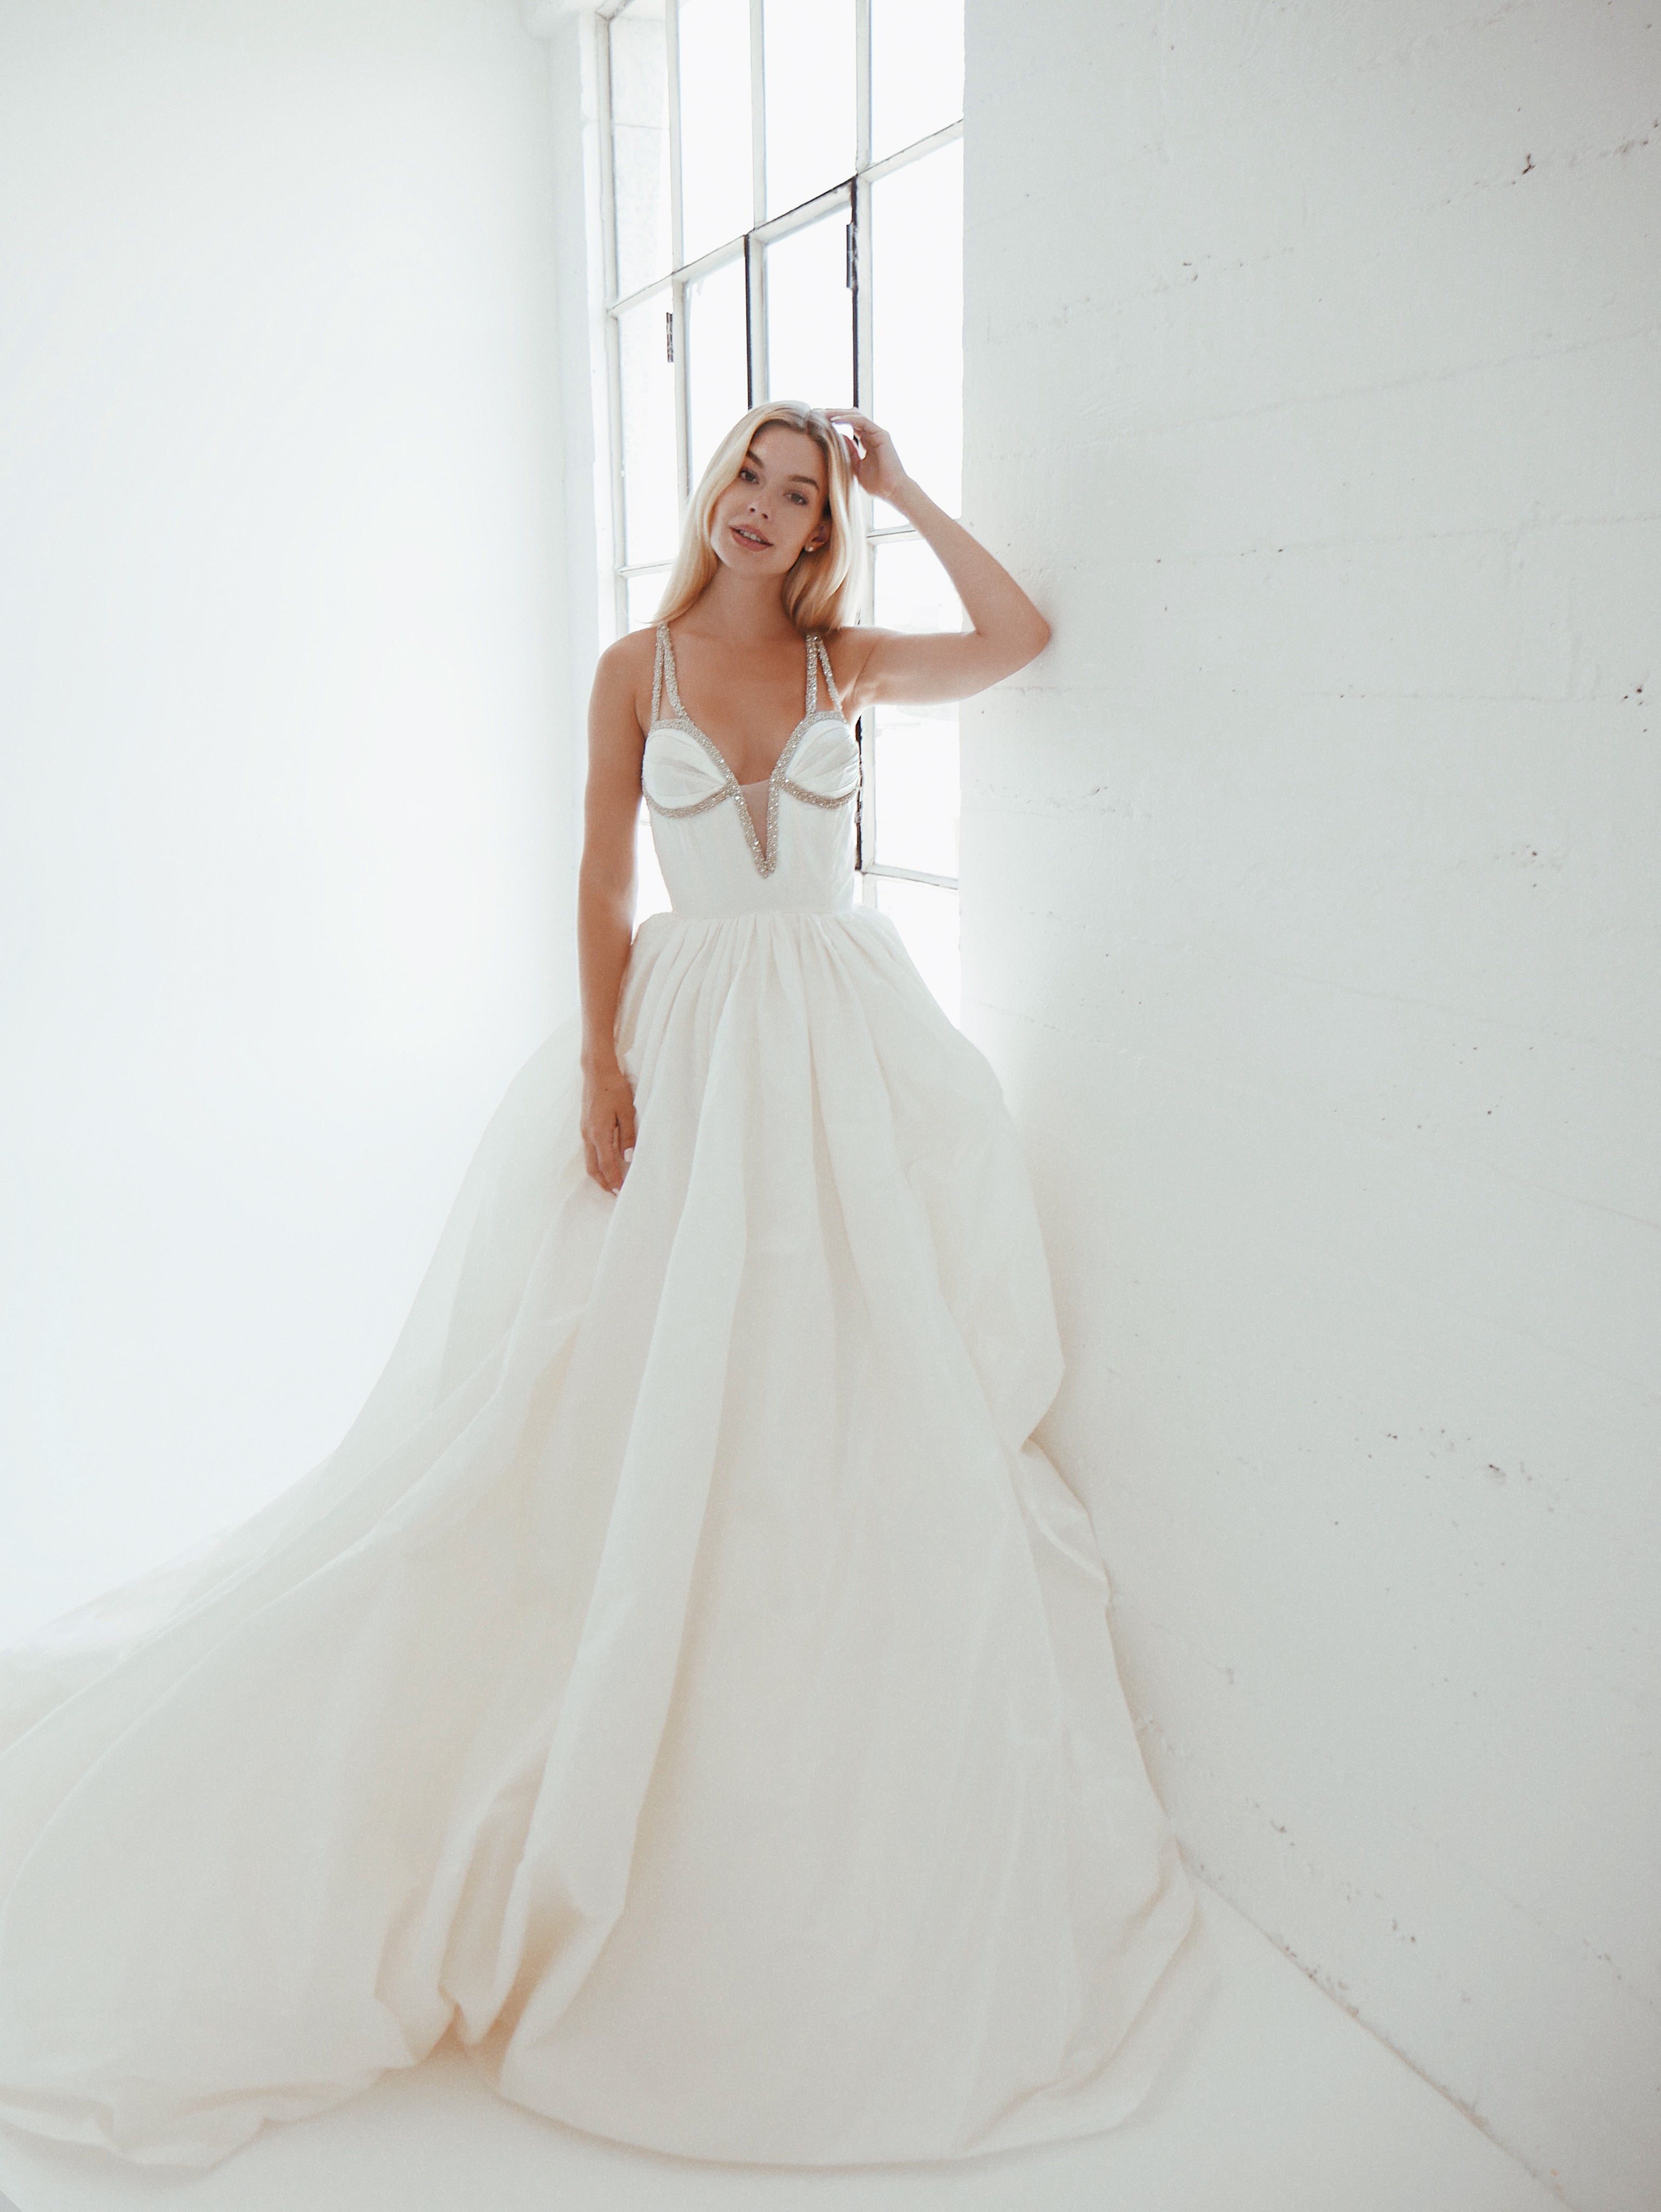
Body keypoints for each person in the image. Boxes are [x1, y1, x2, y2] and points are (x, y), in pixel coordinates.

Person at [0, 402, 1213, 2171]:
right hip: (687, 1033)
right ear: (713, 490)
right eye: (755, 479)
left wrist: (906, 490)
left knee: (843, 1361)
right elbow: (594, 870)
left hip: (839, 1045)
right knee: (614, 1375)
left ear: (817, 531)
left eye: (803, 498)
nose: (770, 511)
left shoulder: (839, 660)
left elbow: (1017, 639)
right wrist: (596, 1060)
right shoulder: (633, 669)